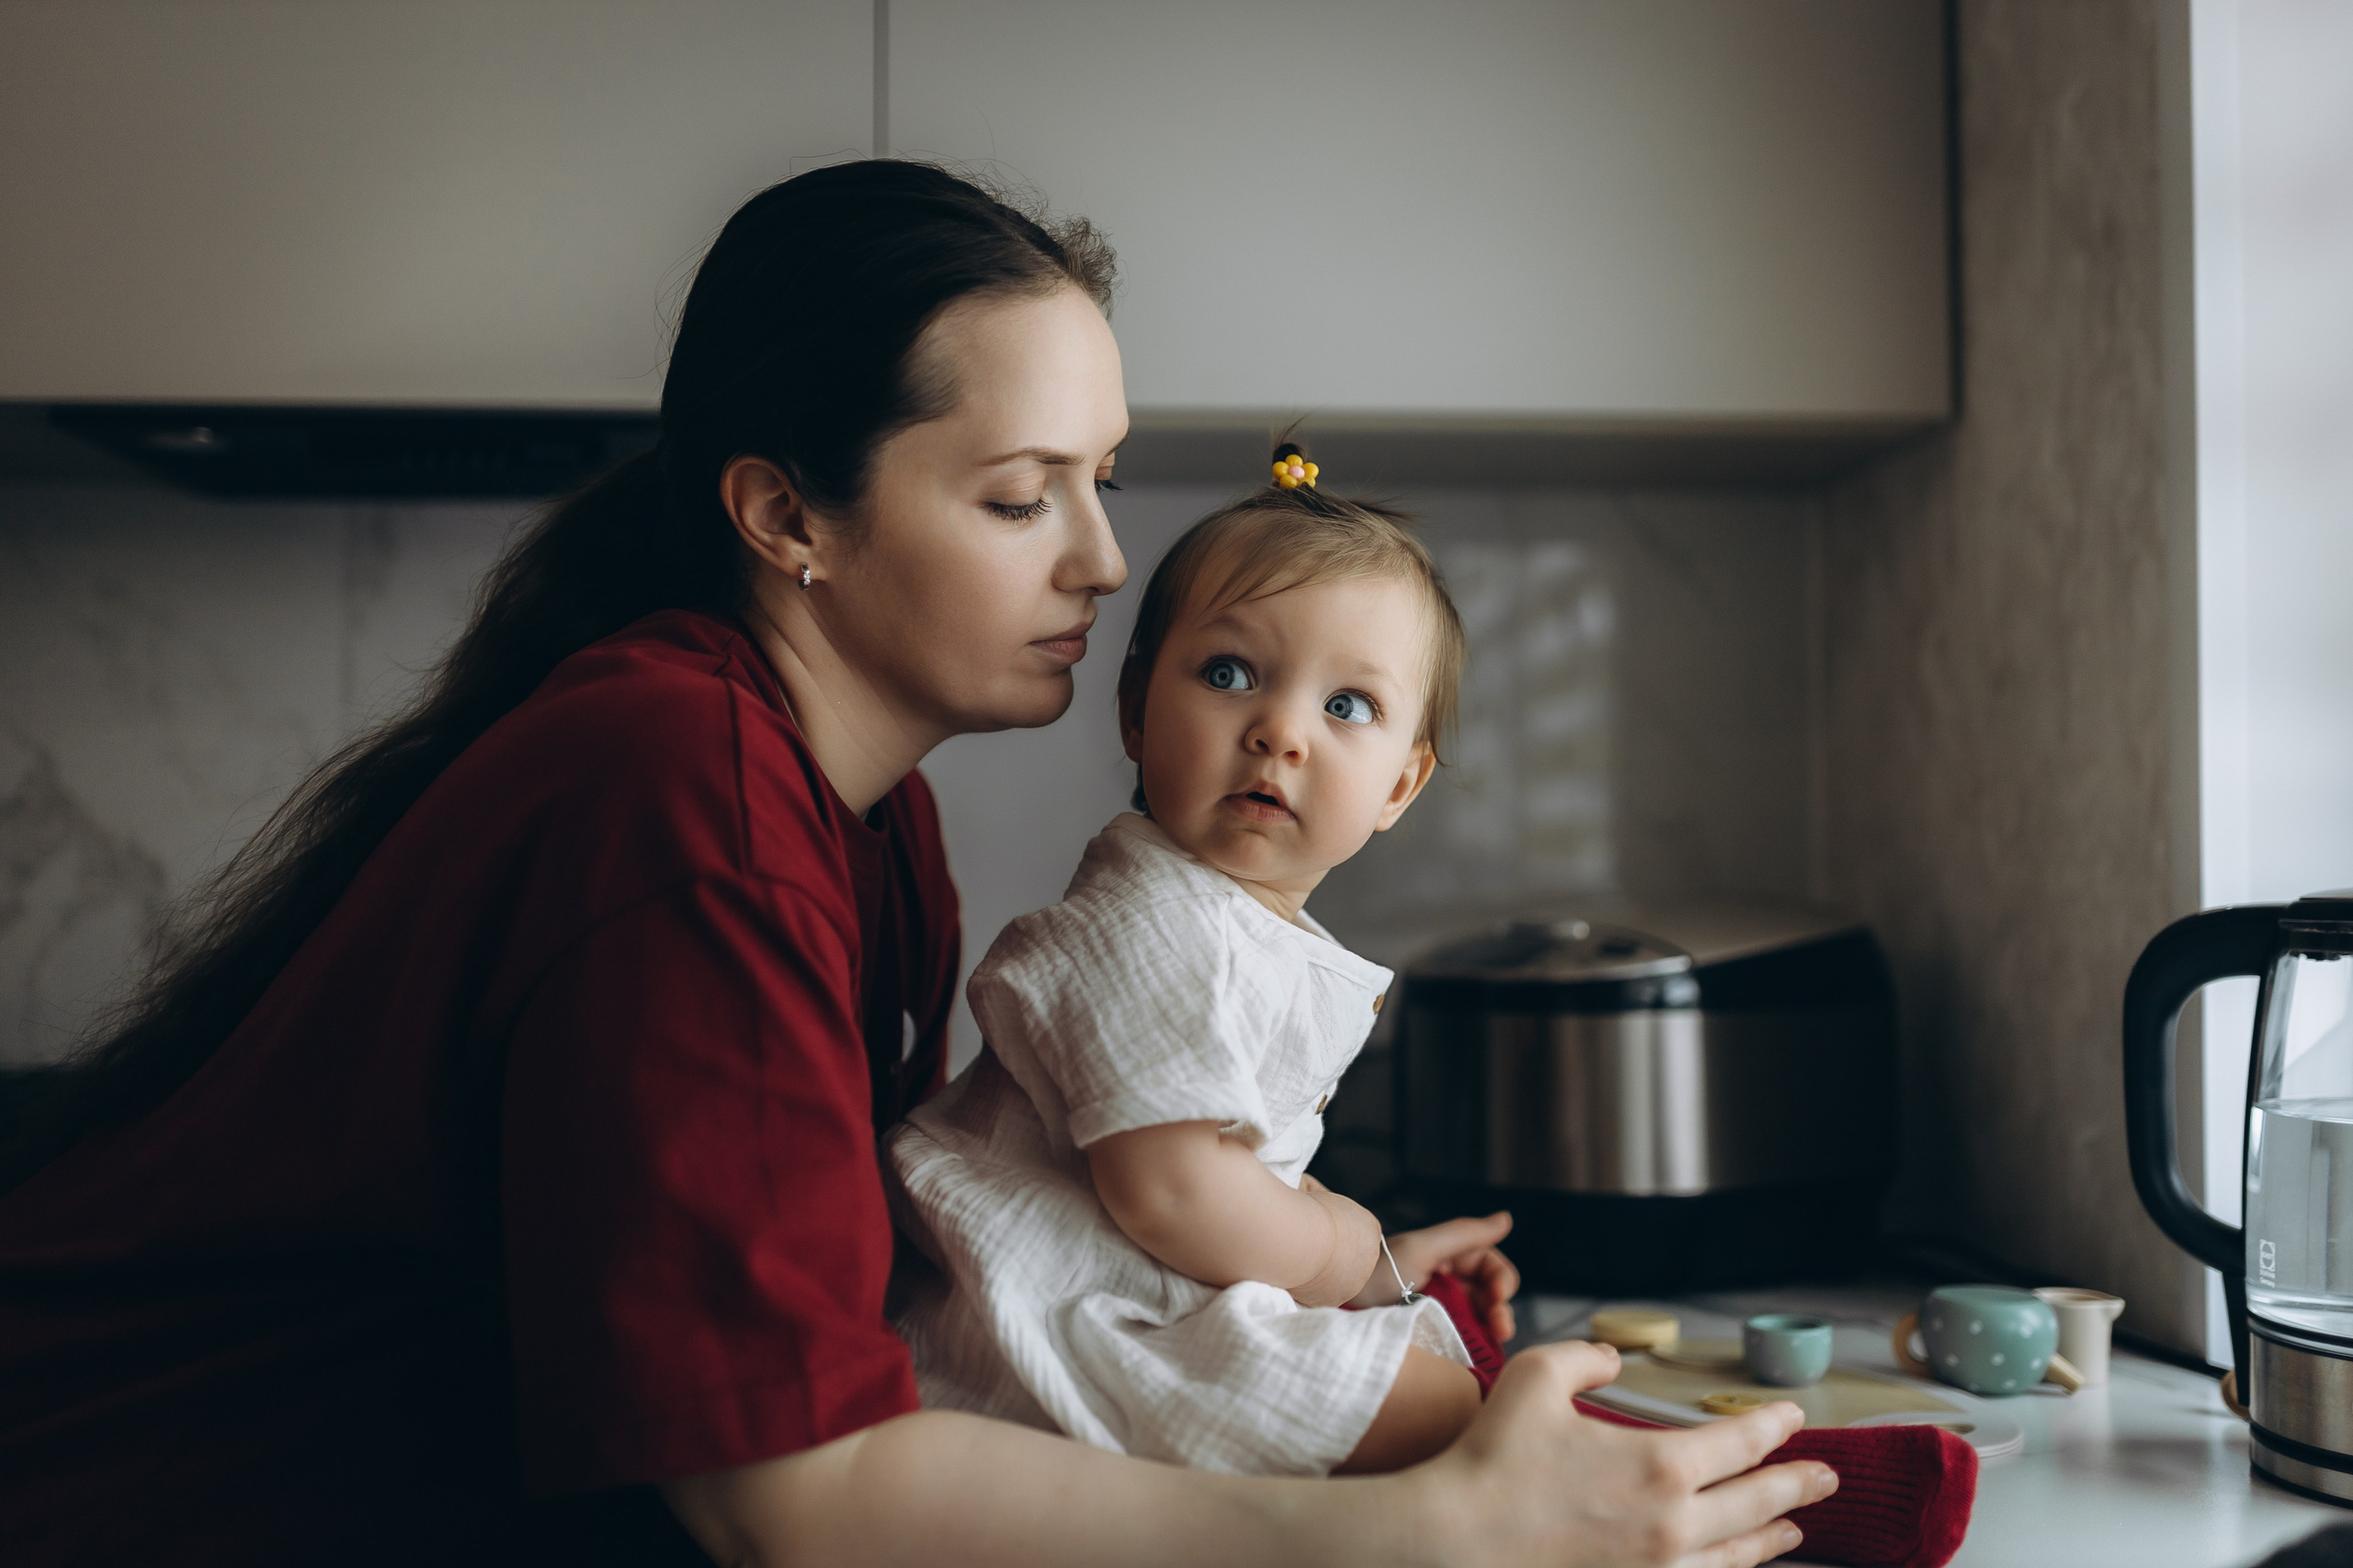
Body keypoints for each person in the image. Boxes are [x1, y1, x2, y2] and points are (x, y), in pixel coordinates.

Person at [0, 160, 1835, 1566]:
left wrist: (1303, 1298)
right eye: (1021, 493)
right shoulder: (685, 802)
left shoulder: (865, 819)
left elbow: (933, 1273)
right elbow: (787, 1499)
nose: (1104, 563)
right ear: (787, 514)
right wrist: (1414, 1532)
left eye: (1103, 480)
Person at [891, 472, 1510, 1476]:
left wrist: (1374, 1263)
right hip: (1050, 1323)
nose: (1280, 730)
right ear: (1135, 709)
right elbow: (1174, 1189)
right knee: (1447, 1402)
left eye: (1347, 703)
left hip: (1125, 1289)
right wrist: (1340, 1252)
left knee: (1435, 1377)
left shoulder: (1228, 922)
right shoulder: (1154, 921)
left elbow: (1225, 1158)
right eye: (1229, 673)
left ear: (1399, 781)